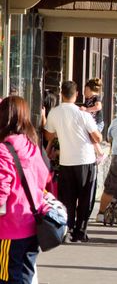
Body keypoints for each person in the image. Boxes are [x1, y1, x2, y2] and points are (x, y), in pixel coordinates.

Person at [0, 96, 51, 283]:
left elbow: (1, 191)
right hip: (31, 224)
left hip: (9, 228)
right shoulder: (31, 145)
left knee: (7, 277)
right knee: (24, 276)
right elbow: (44, 178)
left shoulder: (4, 149)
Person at [44, 80, 102, 242]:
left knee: (67, 198)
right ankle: (80, 231)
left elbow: (48, 135)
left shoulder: (54, 113)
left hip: (66, 161)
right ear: (76, 94)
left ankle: (67, 228)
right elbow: (98, 137)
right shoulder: (83, 113)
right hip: (85, 159)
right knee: (85, 197)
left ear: (61, 94)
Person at [79, 78, 105, 163]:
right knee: (89, 137)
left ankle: (100, 154)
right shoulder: (87, 100)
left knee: (92, 137)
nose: (84, 92)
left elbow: (98, 107)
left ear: (89, 90)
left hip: (98, 123)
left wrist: (86, 109)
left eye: (85, 90)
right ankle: (97, 153)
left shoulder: (96, 98)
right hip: (92, 123)